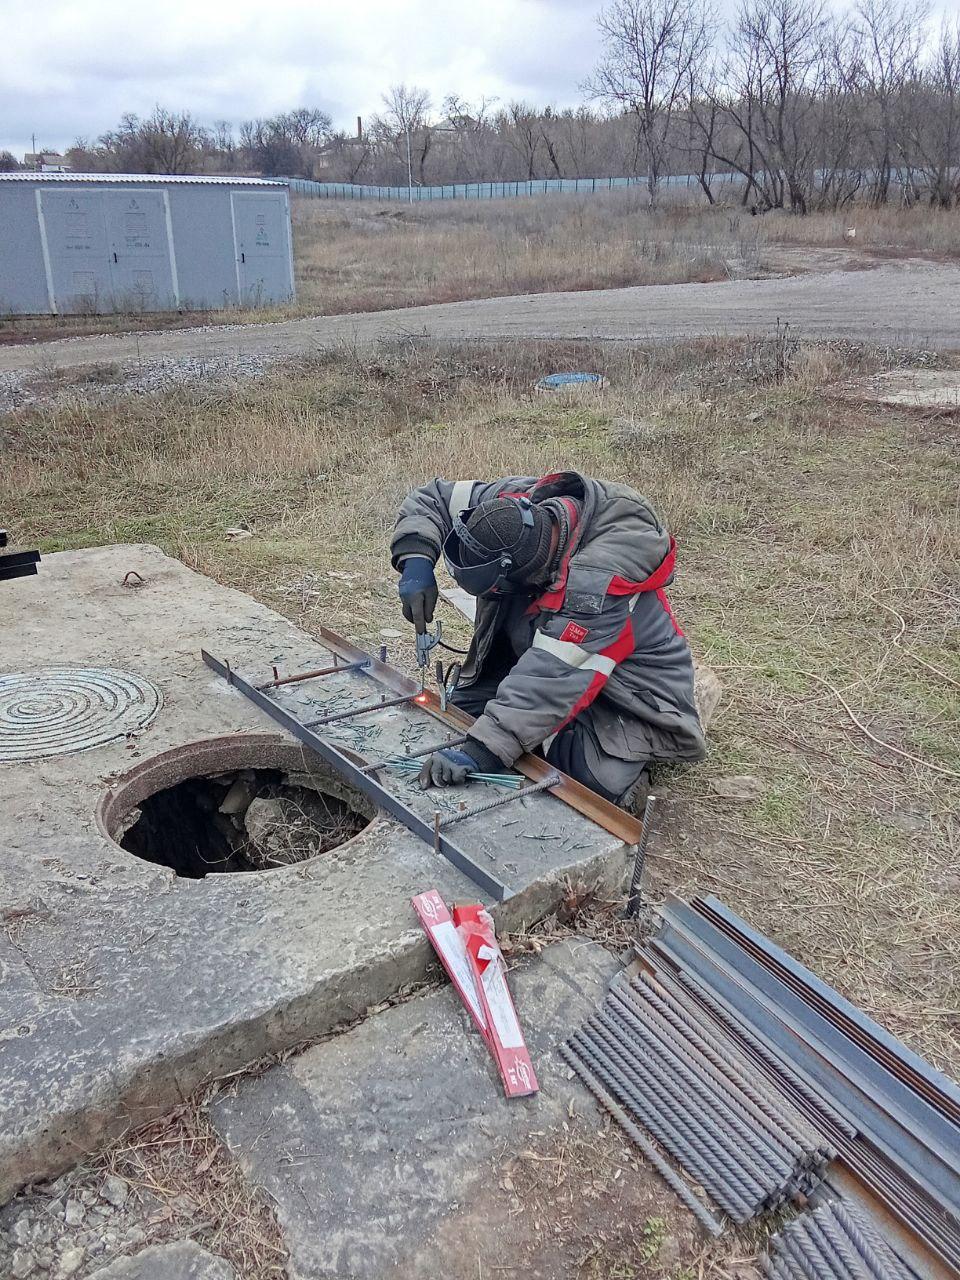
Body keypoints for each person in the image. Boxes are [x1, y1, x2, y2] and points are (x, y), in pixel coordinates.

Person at [391, 470, 706, 805]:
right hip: (556, 659)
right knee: (461, 717)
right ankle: (530, 725)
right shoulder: (510, 507)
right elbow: (435, 497)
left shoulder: (598, 584)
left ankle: (622, 765)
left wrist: (482, 751)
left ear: (520, 575)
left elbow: (553, 676)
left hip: (629, 697)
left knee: (583, 781)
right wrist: (417, 561)